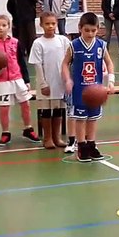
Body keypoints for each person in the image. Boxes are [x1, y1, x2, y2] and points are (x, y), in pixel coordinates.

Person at [62, 12, 113, 162]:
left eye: (93, 30)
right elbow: (65, 63)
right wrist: (67, 80)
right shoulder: (74, 45)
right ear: (80, 29)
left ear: (98, 29)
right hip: (79, 90)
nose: (90, 34)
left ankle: (91, 144)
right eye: (87, 30)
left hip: (95, 89)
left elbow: (109, 63)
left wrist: (111, 80)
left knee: (93, 119)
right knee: (80, 119)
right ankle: (82, 147)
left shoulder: (101, 45)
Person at [0, 14, 39, 147]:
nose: (1, 28)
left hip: (17, 78)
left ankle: (28, 129)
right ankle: (5, 133)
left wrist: (27, 79)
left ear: (9, 27)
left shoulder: (15, 42)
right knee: (4, 108)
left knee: (25, 104)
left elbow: (22, 62)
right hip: (1, 81)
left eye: (4, 25)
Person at [29, 12, 70, 150]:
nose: (50, 26)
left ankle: (56, 137)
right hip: (46, 83)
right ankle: (47, 138)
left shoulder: (63, 40)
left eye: (53, 23)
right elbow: (37, 65)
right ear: (41, 25)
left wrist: (67, 78)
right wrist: (43, 84)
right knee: (46, 111)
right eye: (47, 23)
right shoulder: (38, 43)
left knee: (58, 110)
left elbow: (68, 59)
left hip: (60, 82)